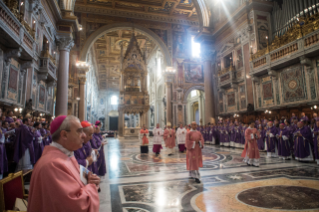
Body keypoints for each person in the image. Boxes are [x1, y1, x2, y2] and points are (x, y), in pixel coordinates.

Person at [27, 115, 100, 212]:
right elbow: (77, 206)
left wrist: (87, 180)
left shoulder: (66, 156)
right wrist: (92, 186)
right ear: (64, 135)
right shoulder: (53, 165)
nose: (84, 135)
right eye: (79, 131)